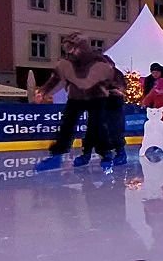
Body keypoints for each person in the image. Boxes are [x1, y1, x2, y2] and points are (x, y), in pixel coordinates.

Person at [34, 35, 115, 171]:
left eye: (72, 48)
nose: (70, 51)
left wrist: (108, 88)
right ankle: (56, 156)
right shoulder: (67, 63)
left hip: (96, 97)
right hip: (76, 97)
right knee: (67, 125)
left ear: (82, 47)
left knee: (98, 126)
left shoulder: (98, 60)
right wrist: (43, 91)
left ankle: (106, 154)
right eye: (67, 48)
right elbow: (55, 79)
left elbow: (111, 76)